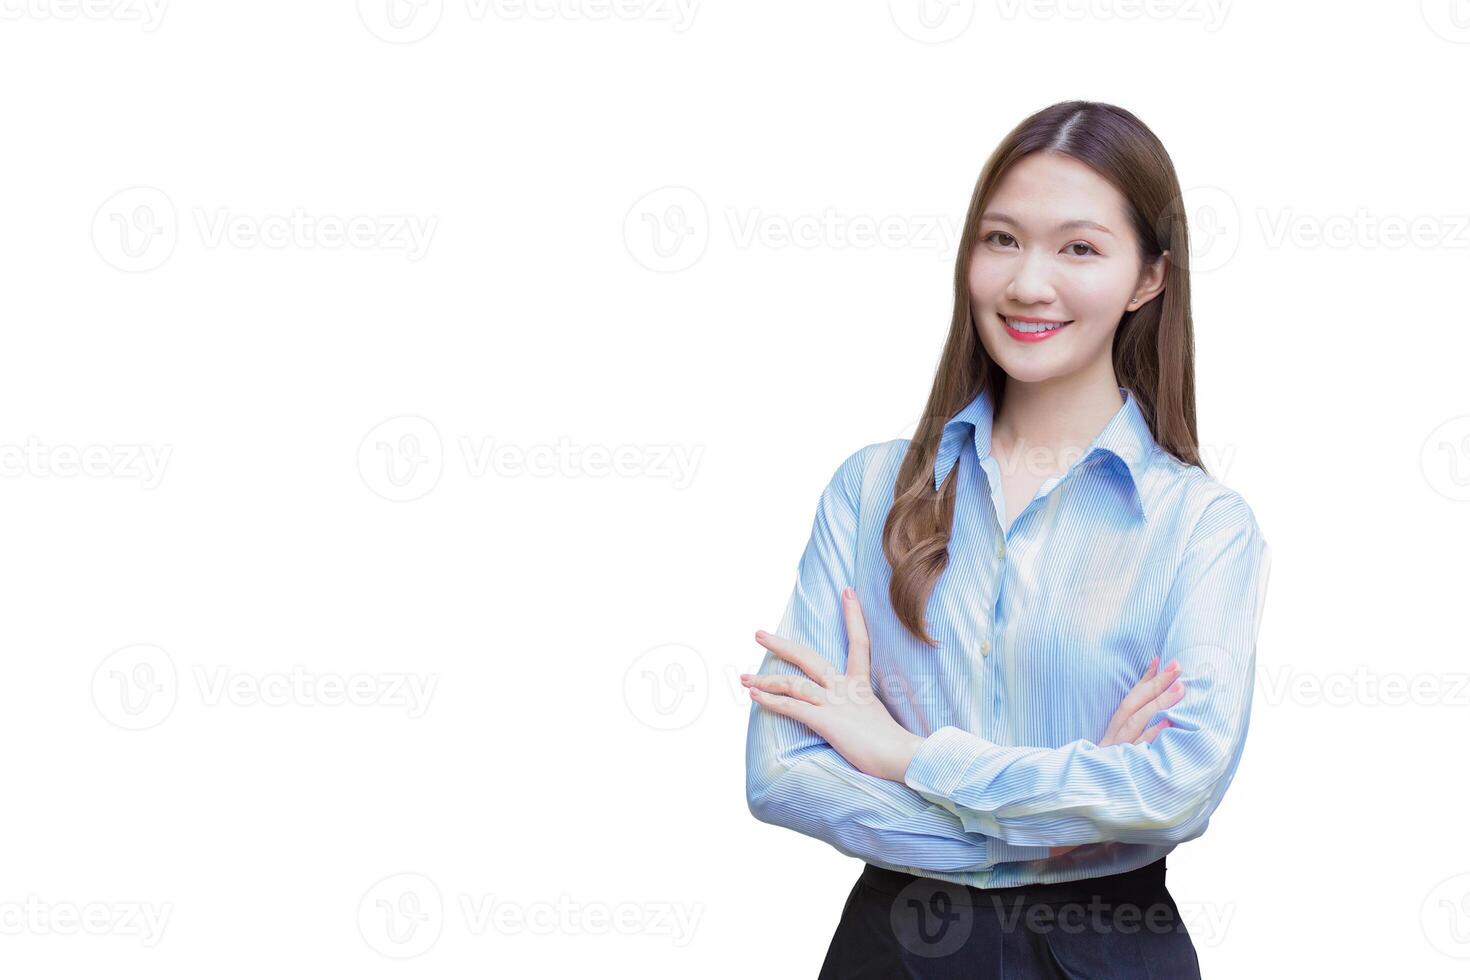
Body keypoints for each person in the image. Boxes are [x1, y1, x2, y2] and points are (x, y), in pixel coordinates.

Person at [742, 100, 1272, 978]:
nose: (1030, 283)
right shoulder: (872, 490)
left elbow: (1176, 786)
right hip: (895, 950)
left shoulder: (1203, 528)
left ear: (1149, 279)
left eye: (1080, 248)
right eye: (1001, 240)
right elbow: (782, 774)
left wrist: (907, 756)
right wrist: (1079, 819)